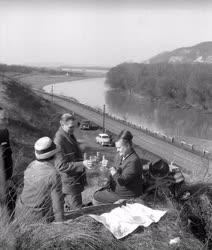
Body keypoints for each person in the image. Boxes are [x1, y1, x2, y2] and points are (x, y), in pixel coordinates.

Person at [15, 137, 64, 223]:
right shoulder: (53, 174)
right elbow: (57, 204)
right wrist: (61, 222)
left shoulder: (31, 165)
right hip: (39, 216)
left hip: (20, 210)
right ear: (55, 155)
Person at [93, 130, 143, 204]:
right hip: (115, 190)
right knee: (98, 193)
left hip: (127, 195)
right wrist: (105, 170)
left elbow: (122, 181)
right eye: (117, 147)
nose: (117, 150)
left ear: (128, 146)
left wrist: (111, 168)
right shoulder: (119, 156)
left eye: (119, 148)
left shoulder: (134, 161)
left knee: (96, 197)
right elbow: (114, 174)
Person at [54, 113, 91, 210]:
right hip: (69, 183)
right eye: (71, 127)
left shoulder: (68, 134)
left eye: (74, 126)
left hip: (74, 180)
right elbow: (61, 166)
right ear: (62, 124)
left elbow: (70, 151)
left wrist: (80, 147)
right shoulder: (59, 141)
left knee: (71, 208)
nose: (73, 129)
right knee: (78, 211)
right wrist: (82, 164)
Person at [0, 107, 16, 216]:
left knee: (12, 197)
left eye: (7, 118)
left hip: (6, 177)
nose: (7, 121)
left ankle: (10, 226)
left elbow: (8, 155)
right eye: (3, 119)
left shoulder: (5, 131)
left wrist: (9, 178)